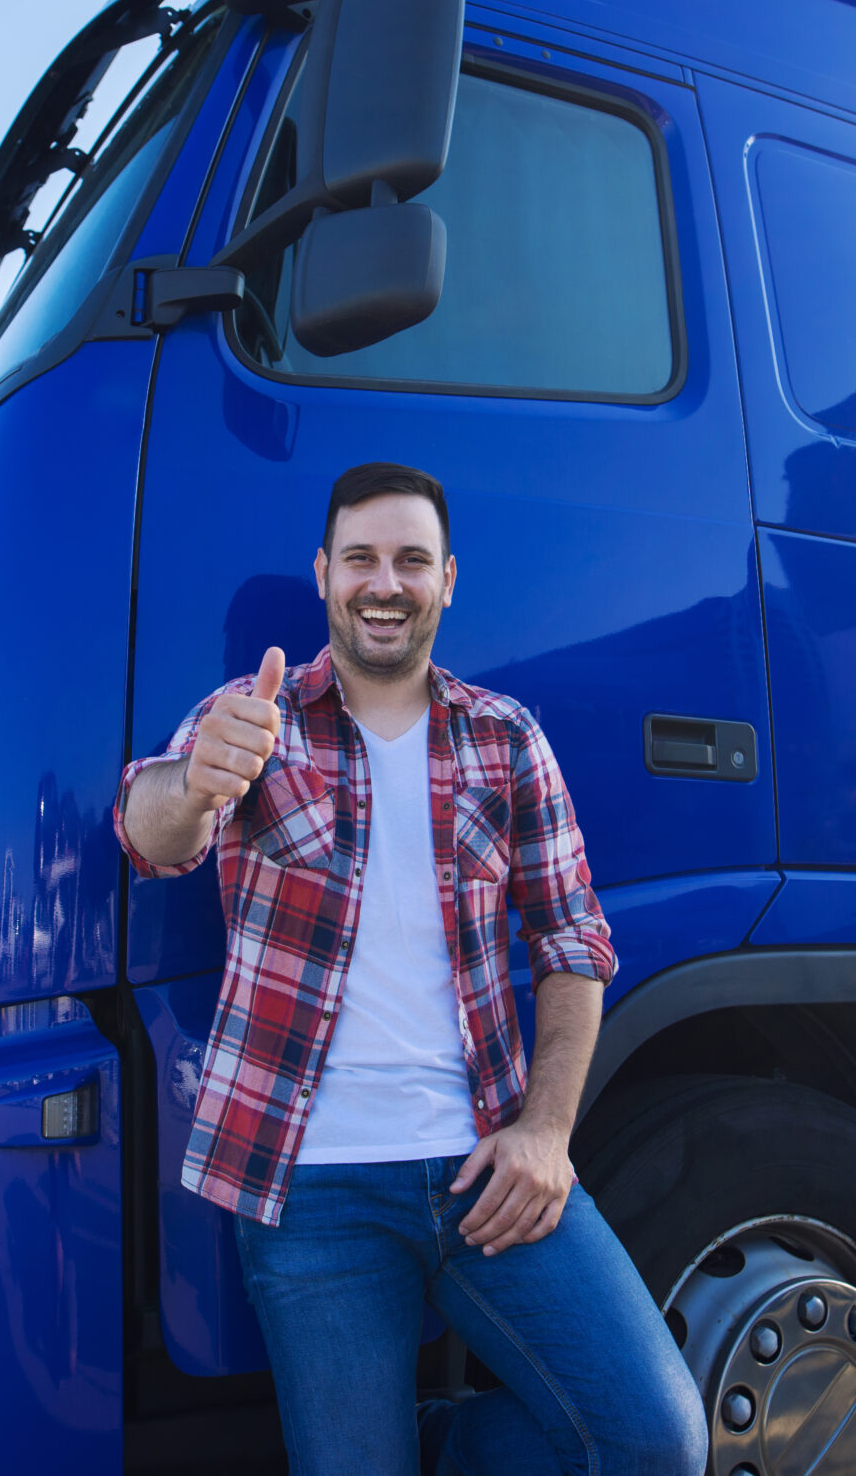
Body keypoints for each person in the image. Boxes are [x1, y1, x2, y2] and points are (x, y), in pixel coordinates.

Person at [116, 462, 706, 1476]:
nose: (382, 582)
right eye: (360, 558)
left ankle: (423, 1445)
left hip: (487, 1171)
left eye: (409, 560)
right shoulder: (253, 718)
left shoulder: (505, 736)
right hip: (310, 1191)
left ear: (446, 579)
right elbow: (149, 831)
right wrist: (195, 780)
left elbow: (572, 941)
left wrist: (548, 1131)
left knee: (656, 1440)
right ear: (322, 573)